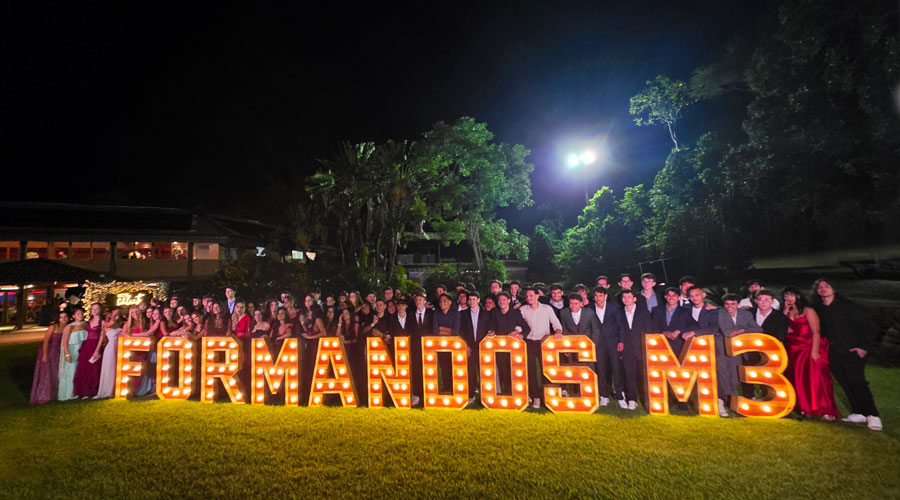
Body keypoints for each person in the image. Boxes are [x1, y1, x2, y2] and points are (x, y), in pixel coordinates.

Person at [812, 279, 881, 431]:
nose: (823, 289)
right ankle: (858, 412)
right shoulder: (818, 309)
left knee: (857, 382)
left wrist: (863, 347)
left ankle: (872, 415)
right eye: (820, 287)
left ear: (834, 289)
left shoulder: (847, 307)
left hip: (851, 351)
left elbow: (869, 327)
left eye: (827, 286)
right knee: (844, 382)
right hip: (832, 352)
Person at [782, 286, 840, 420]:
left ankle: (826, 409)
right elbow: (784, 329)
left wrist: (814, 351)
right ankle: (805, 407)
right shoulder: (787, 311)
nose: (788, 298)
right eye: (785, 296)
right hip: (793, 349)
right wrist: (785, 312)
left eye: (791, 295)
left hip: (809, 347)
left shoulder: (808, 310)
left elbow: (816, 332)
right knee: (799, 379)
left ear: (798, 295)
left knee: (816, 378)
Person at [716, 294, 761, 417]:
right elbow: (727, 332)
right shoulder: (720, 313)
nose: (729, 307)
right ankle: (721, 401)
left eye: (733, 304)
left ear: (738, 304)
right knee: (723, 376)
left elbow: (758, 329)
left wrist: (742, 330)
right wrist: (742, 329)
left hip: (739, 350)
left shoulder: (745, 314)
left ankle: (730, 400)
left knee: (735, 377)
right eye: (727, 304)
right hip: (722, 349)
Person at [519, 287, 562, 409]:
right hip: (529, 342)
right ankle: (535, 397)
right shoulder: (523, 310)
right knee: (530, 371)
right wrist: (517, 332)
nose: (529, 298)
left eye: (531, 295)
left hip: (544, 342)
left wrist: (558, 331)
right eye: (527, 296)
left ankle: (548, 396)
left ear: (537, 296)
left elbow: (556, 323)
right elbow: (519, 325)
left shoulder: (547, 309)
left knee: (547, 371)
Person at [587, 286, 625, 407]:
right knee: (601, 369)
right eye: (596, 296)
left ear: (606, 296)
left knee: (616, 369)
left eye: (601, 296)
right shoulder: (590, 308)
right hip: (598, 344)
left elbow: (620, 325)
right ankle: (604, 395)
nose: (598, 298)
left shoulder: (614, 308)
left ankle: (620, 395)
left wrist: (621, 341)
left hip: (613, 342)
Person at [487, 292, 530, 396]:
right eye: (499, 300)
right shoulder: (494, 312)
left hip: (512, 347)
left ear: (509, 301)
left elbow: (526, 328)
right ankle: (501, 392)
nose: (501, 302)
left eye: (504, 300)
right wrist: (491, 331)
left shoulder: (515, 313)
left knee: (512, 369)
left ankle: (514, 392)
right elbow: (492, 326)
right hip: (498, 346)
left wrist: (521, 335)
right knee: (500, 369)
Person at [616, 290, 653, 410]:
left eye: (629, 297)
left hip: (641, 346)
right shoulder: (620, 313)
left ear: (635, 299)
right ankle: (632, 399)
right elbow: (620, 330)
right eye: (624, 297)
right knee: (629, 374)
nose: (626, 299)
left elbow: (649, 329)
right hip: (627, 348)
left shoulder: (643, 312)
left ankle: (646, 400)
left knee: (643, 375)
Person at [30, 310, 69, 404]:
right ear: (58, 319)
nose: (63, 319)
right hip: (49, 351)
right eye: (61, 317)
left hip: (58, 353)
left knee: (55, 373)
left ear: (68, 318)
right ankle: (44, 395)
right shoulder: (53, 327)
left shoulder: (68, 328)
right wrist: (45, 355)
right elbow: (45, 341)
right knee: (47, 373)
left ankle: (54, 393)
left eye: (65, 317)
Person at [460, 291, 489, 403]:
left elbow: (488, 329)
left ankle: (485, 395)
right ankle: (471, 394)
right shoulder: (463, 314)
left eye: (473, 299)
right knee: (470, 371)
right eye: (470, 299)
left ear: (478, 300)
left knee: (484, 371)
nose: (471, 301)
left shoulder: (486, 313)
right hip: (470, 346)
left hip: (482, 346)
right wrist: (466, 345)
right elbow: (461, 331)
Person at [73, 303, 104, 398]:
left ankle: (93, 390)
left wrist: (97, 350)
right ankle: (84, 391)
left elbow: (102, 336)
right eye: (92, 309)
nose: (94, 310)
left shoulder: (102, 322)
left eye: (96, 309)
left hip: (95, 345)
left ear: (100, 310)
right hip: (86, 345)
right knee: (84, 368)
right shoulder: (88, 321)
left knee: (94, 368)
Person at [432, 293, 461, 393]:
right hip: (441, 345)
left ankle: (455, 388)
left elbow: (456, 331)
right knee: (444, 367)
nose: (442, 303)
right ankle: (446, 387)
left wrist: (441, 328)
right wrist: (448, 331)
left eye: (444, 301)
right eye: (440, 301)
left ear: (450, 302)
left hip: (454, 345)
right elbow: (435, 331)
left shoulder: (456, 313)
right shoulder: (436, 313)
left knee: (454, 367)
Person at [301, 294, 327, 405]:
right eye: (306, 300)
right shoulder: (308, 317)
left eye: (310, 300)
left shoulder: (317, 318)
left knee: (314, 369)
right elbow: (307, 331)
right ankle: (307, 395)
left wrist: (310, 338)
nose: (307, 302)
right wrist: (302, 323)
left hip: (315, 345)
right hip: (309, 346)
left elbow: (323, 333)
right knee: (308, 370)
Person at [651, 287, 692, 356]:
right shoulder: (656, 310)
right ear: (665, 297)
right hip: (660, 345)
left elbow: (693, 325)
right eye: (669, 295)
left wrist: (679, 331)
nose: (671, 297)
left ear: (679, 298)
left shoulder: (685, 311)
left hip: (679, 346)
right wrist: (663, 332)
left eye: (674, 295)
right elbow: (652, 326)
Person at [94, 309, 125, 399]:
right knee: (109, 368)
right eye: (114, 313)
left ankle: (115, 388)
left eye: (118, 314)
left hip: (119, 347)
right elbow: (101, 337)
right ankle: (107, 390)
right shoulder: (106, 324)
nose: (116, 315)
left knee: (117, 368)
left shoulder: (120, 324)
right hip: (110, 348)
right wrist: (97, 350)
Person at [58, 307, 87, 401]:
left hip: (82, 349)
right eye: (78, 314)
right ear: (73, 316)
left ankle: (79, 391)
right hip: (72, 350)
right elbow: (65, 341)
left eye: (82, 313)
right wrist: (67, 354)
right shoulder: (70, 327)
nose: (80, 315)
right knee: (71, 371)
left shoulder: (85, 324)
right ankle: (68, 393)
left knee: (79, 371)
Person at [410, 292, 433, 406]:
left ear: (425, 301)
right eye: (416, 300)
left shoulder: (431, 314)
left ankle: (428, 393)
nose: (418, 302)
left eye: (420, 299)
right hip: (415, 348)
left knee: (428, 370)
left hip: (428, 347)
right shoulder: (410, 314)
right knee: (416, 370)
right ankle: (417, 394)